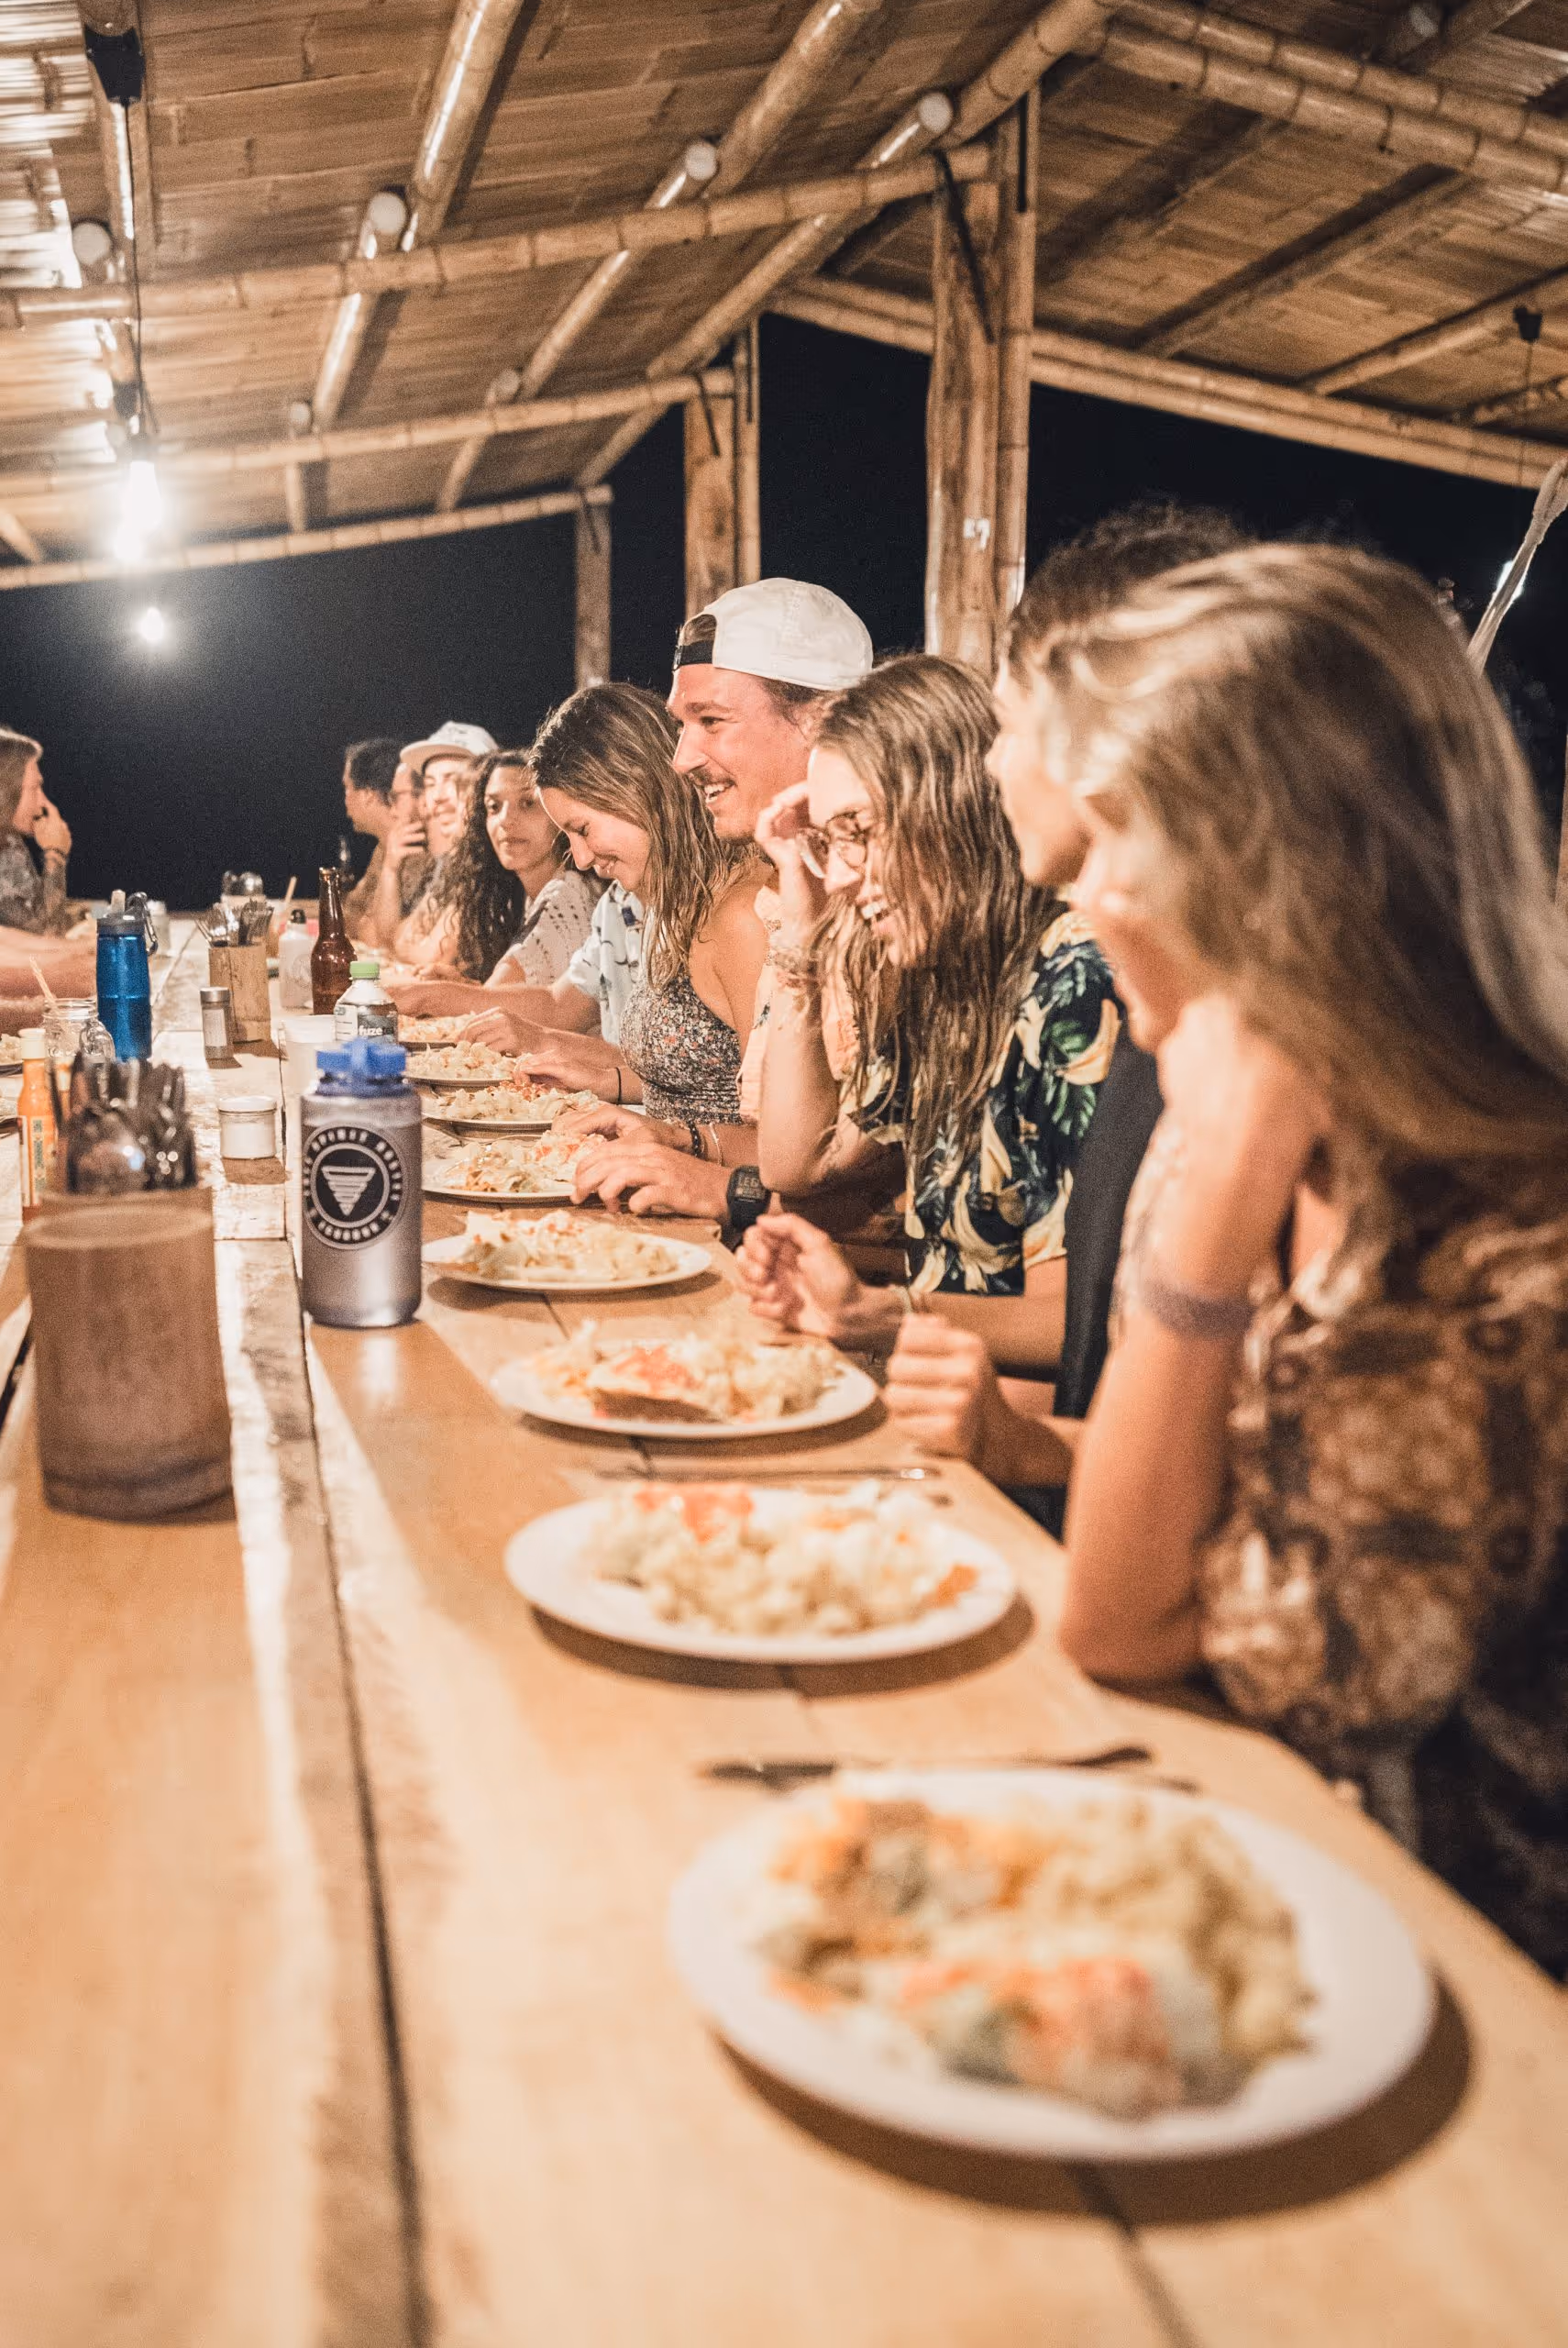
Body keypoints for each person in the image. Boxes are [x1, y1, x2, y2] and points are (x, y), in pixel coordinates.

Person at [993, 541, 1568, 1974]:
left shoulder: (1503, 1271)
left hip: (1467, 2030)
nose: (1086, 903)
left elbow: (1118, 1623)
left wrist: (1215, 1194)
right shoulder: (1252, 1125)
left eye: (1109, 842)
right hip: (1279, 1894)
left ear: (1262, 870)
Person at [882, 505, 1247, 1512]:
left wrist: (1002, 1426)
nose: (992, 764)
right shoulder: (1152, 1004)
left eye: (1008, 727)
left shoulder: (1120, 989)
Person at [735, 654, 1119, 1370]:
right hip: (933, 1395)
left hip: (1011, 1451)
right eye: (828, 841)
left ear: (951, 805)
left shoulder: (1072, 971)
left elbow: (1078, 1322)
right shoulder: (939, 970)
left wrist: (888, 1316)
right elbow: (794, 1161)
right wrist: (801, 933)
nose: (843, 875)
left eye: (859, 830)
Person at [492, 681, 767, 1140]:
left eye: (582, 829)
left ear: (637, 790)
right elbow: (700, 1075)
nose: (579, 859)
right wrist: (610, 1082)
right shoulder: (663, 899)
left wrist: (680, 1139)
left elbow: (786, 1147)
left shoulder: (740, 915)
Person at [382, 749, 598, 999]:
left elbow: (537, 1006)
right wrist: (465, 986)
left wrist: (449, 993)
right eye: (494, 807)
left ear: (559, 814)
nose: (505, 820)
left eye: (527, 803)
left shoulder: (569, 894)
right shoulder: (522, 895)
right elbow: (515, 996)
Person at [359, 721, 494, 958]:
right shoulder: (454, 861)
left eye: (453, 781)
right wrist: (391, 868)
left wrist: (405, 946)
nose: (439, 797)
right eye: (431, 784)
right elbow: (392, 939)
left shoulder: (495, 865)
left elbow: (430, 955)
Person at [341, 738, 428, 934]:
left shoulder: (417, 849)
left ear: (368, 795)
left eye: (347, 788)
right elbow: (349, 914)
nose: (345, 799)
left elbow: (382, 935)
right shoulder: (384, 847)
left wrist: (365, 925)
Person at [0, 726, 73, 936]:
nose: (42, 802)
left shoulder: (9, 842)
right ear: (5, 791)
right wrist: (55, 855)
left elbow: (38, 920)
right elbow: (45, 939)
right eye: (34, 788)